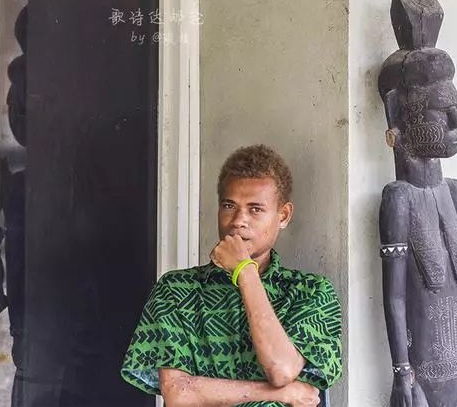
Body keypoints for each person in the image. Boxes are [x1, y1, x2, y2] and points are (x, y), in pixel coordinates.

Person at [121, 144, 343, 407]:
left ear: (283, 215)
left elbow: (281, 369)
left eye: (255, 209)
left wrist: (245, 272)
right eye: (229, 205)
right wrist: (280, 394)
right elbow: (179, 394)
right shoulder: (177, 290)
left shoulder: (311, 292)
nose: (238, 220)